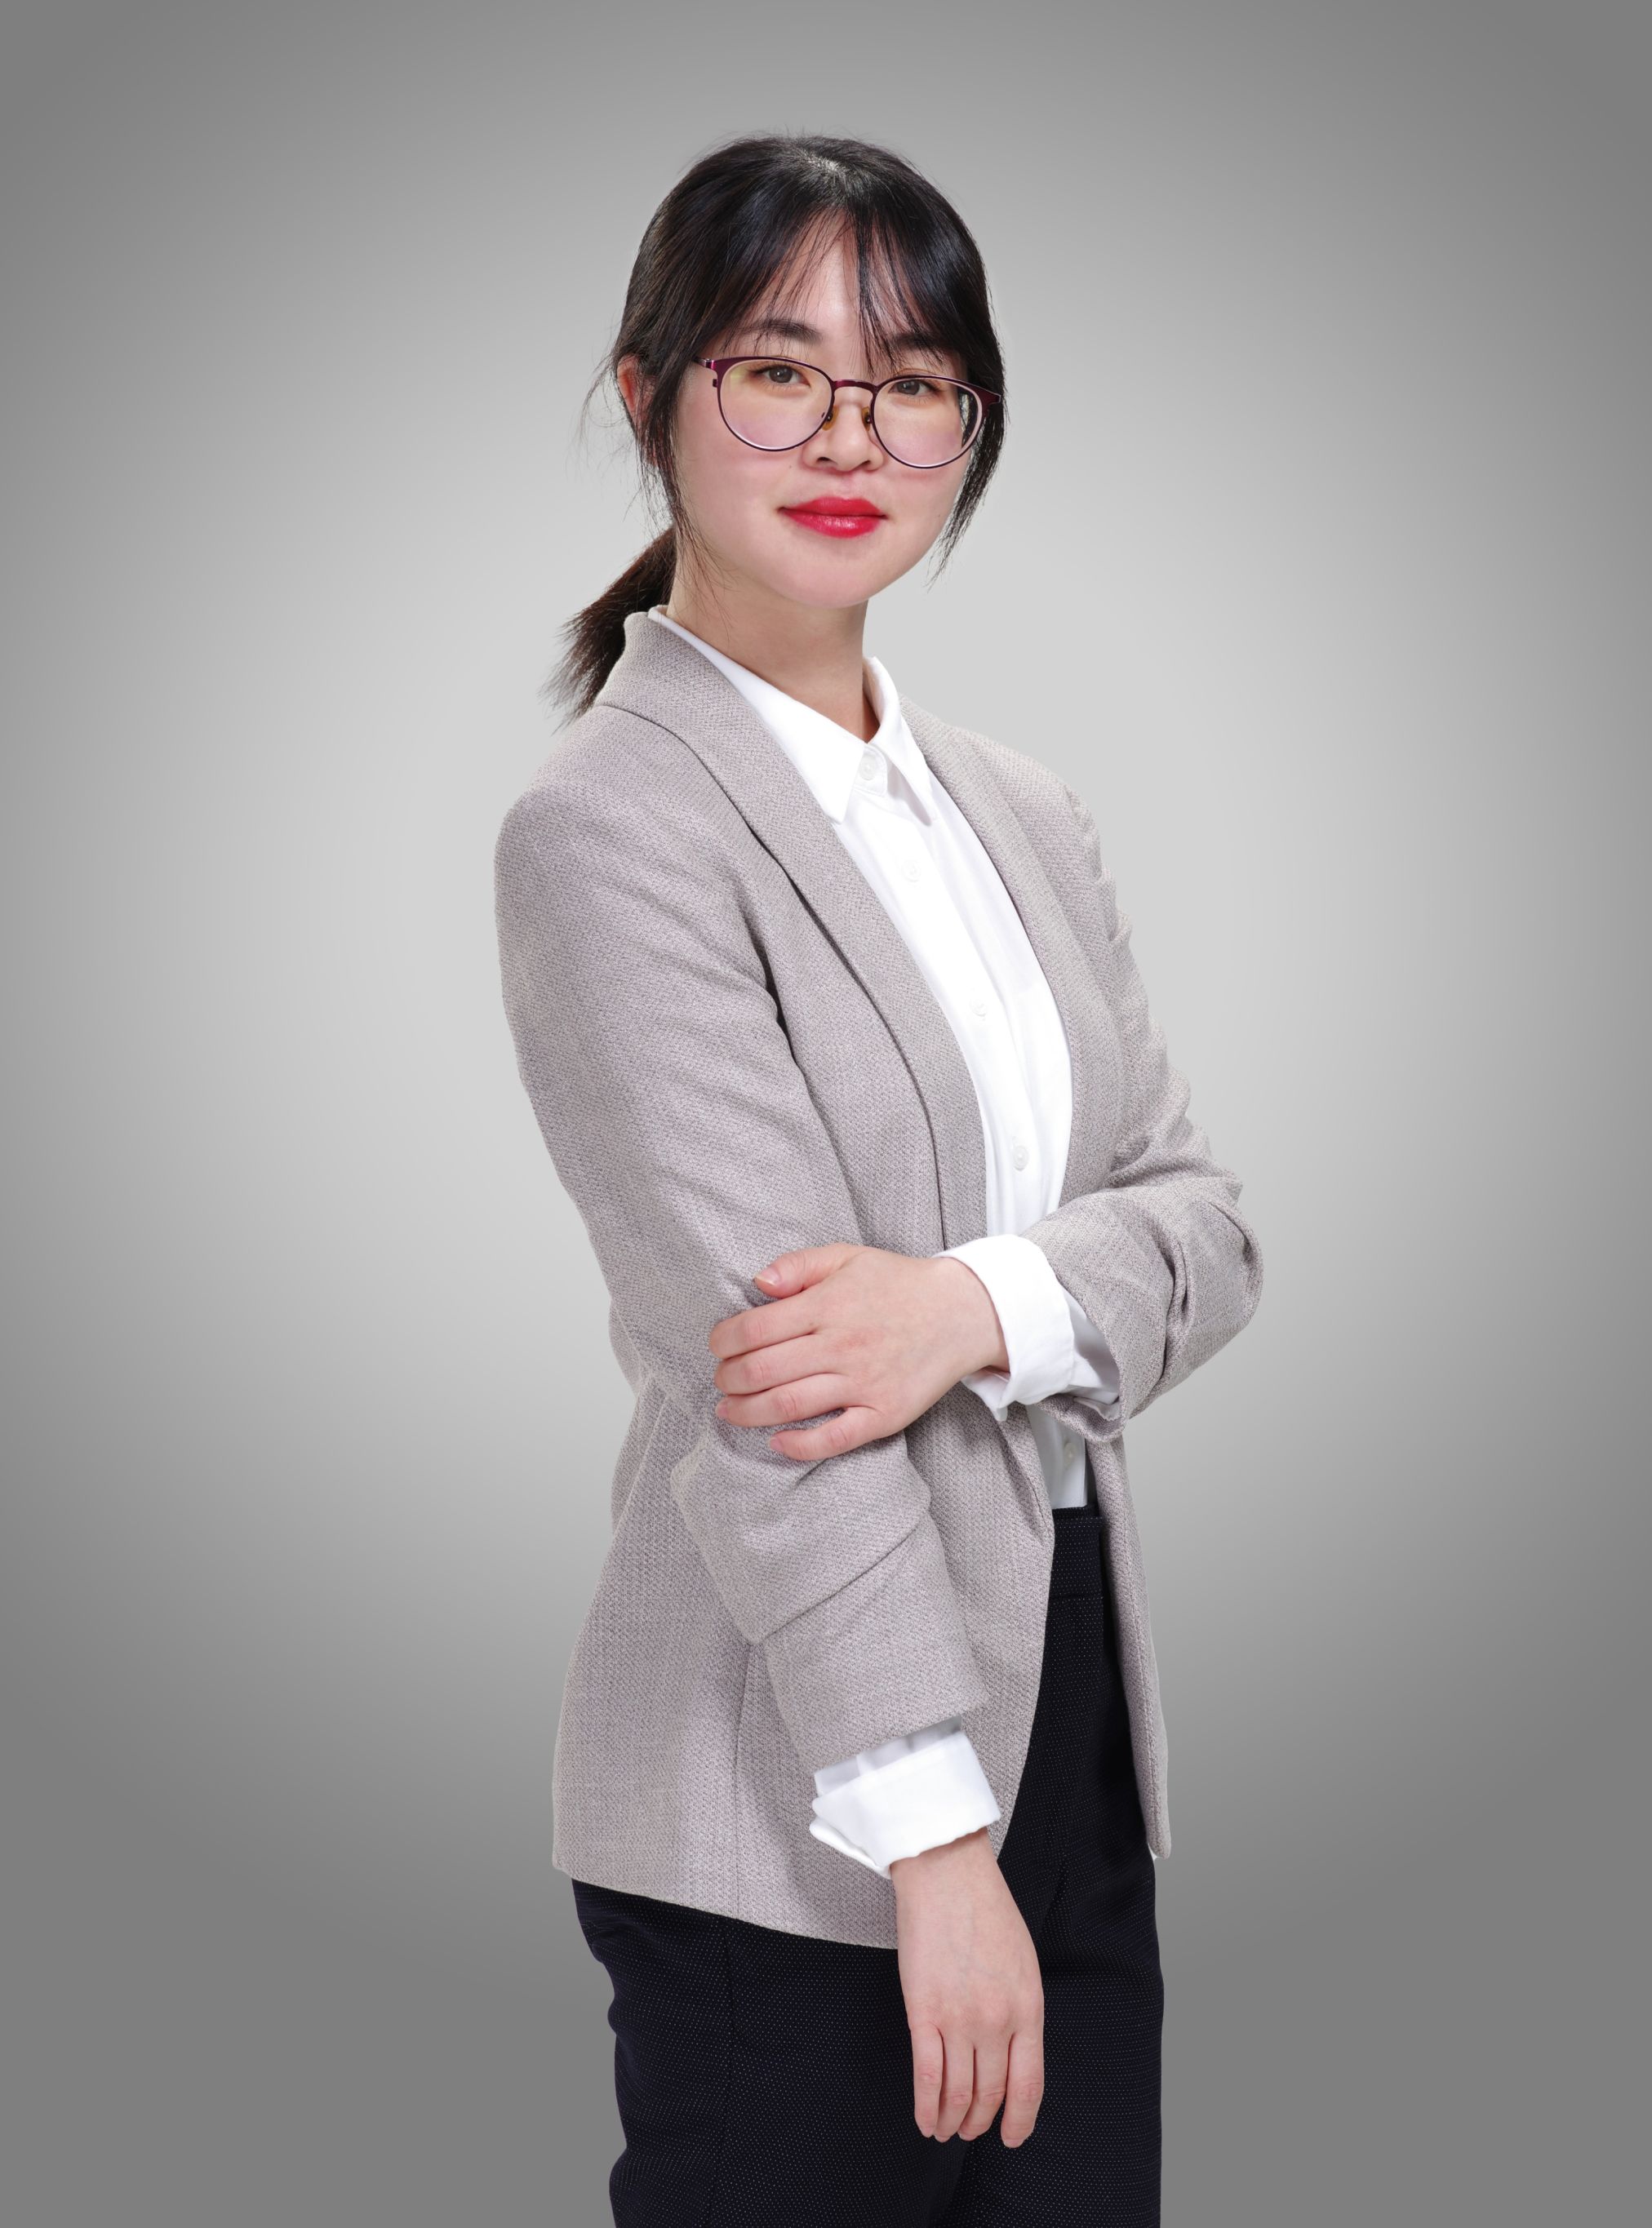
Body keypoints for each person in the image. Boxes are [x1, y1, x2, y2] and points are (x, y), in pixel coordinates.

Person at [493, 130, 1263, 2226]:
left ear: (967, 428)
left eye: (912, 381)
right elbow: (774, 1385)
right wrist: (931, 1848)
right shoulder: (615, 828)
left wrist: (966, 1305)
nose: (852, 437)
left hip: (1074, 1732)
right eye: (778, 370)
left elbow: (1204, 1226)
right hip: (801, 1790)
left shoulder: (1021, 812)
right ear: (648, 394)